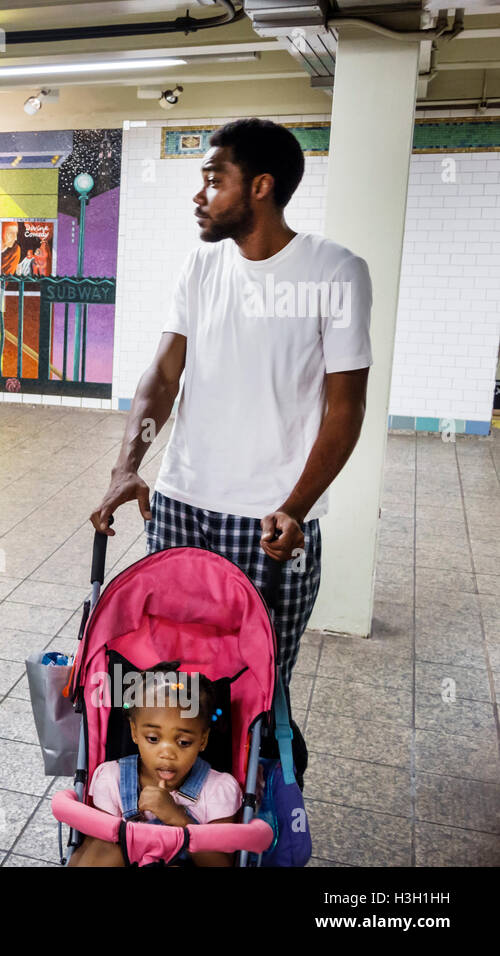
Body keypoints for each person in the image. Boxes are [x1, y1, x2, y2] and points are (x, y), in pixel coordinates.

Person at [89, 117, 372, 694]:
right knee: (167, 687)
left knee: (255, 689)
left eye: (215, 179)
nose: (200, 194)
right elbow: (163, 376)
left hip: (271, 522)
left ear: (261, 186)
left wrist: (296, 508)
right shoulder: (201, 266)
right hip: (179, 508)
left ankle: (254, 786)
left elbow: (346, 408)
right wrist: (127, 467)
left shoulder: (336, 272)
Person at [68, 672, 240, 867]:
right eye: (153, 739)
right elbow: (92, 852)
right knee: (105, 850)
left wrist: (178, 818)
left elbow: (221, 864)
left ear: (203, 740)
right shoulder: (112, 780)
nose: (167, 753)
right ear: (134, 732)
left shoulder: (218, 790)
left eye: (183, 742)